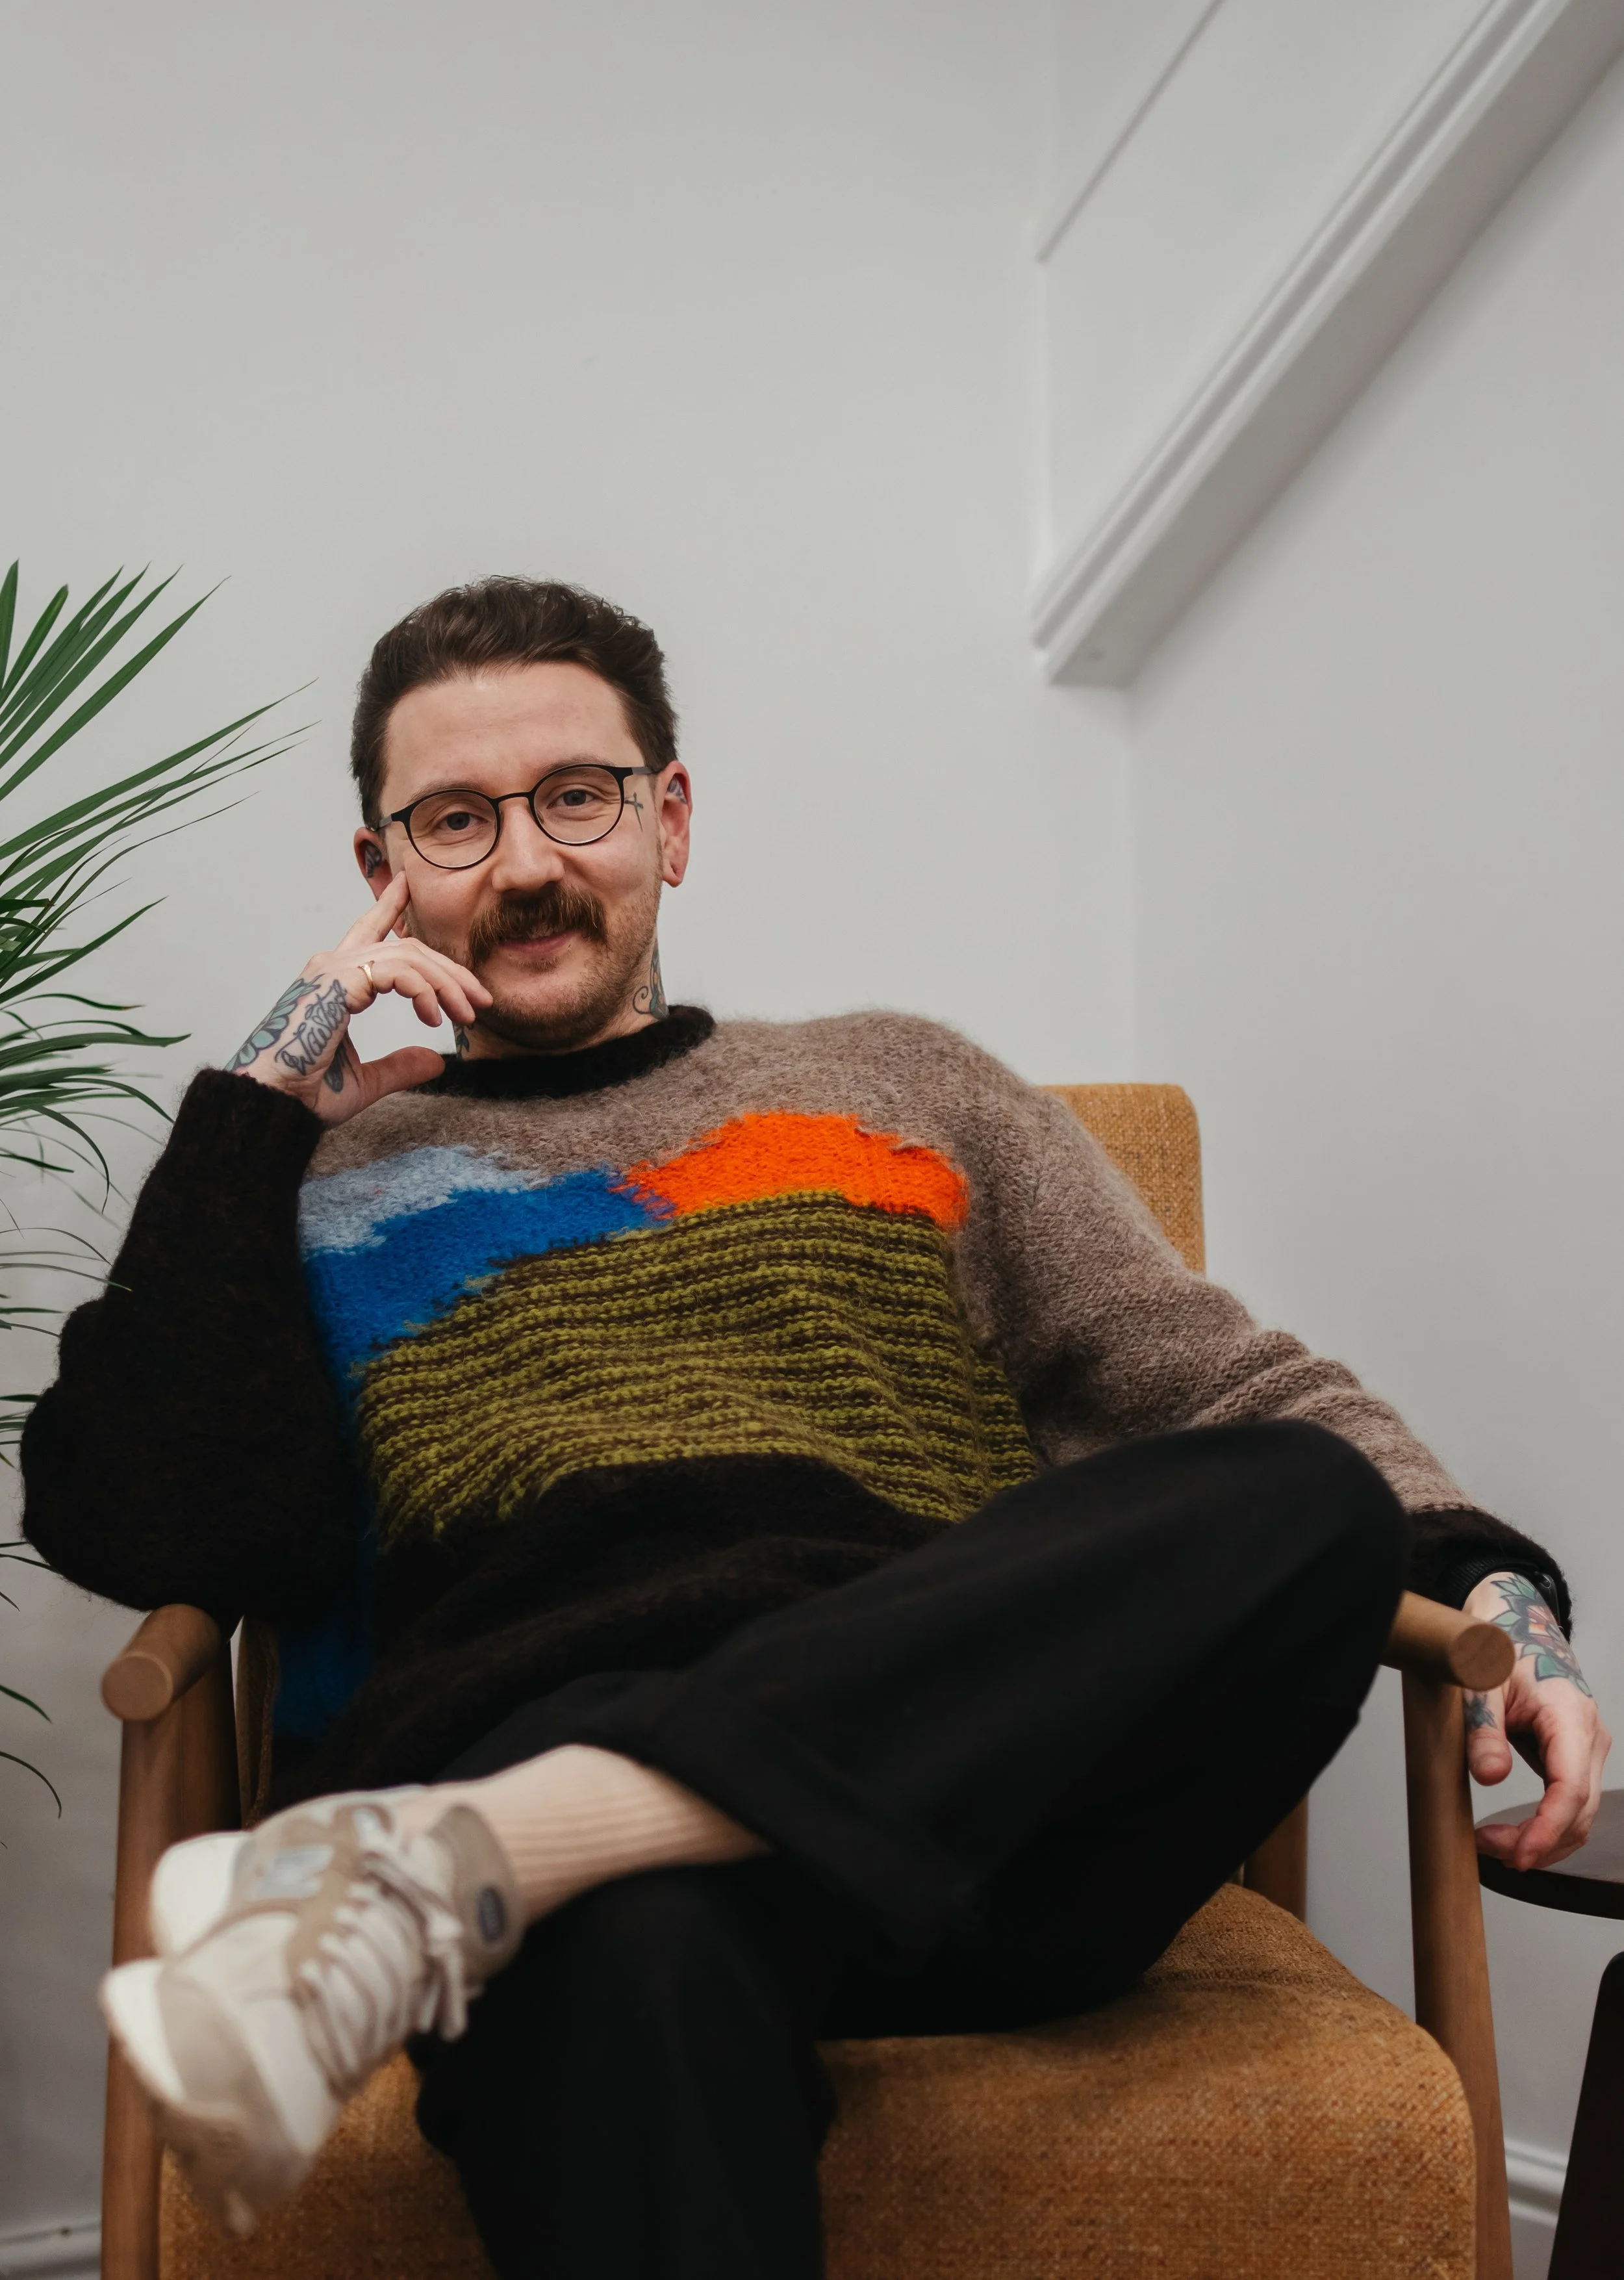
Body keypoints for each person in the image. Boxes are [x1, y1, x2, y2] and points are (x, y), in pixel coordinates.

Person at [22, 577, 1608, 2277]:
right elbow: (155, 1520)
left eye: (577, 796)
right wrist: (256, 1106)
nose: (529, 860)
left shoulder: (903, 1081)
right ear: (379, 871)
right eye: (457, 820)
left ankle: (477, 1864)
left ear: (670, 817)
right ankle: (532, 1845)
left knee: (1299, 1497)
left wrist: (1500, 1601)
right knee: (625, 1944)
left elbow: (1226, 1383)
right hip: (538, 1765)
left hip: (971, 1809)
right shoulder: (316, 1176)